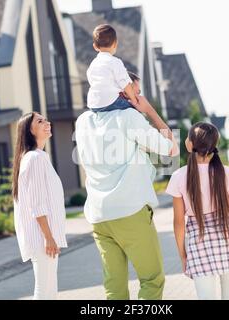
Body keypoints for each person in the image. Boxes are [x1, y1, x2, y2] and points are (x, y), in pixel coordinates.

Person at [75, 72, 179, 299]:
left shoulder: (83, 122)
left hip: (99, 216)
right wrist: (149, 111)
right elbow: (171, 150)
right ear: (123, 92)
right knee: (152, 279)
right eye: (137, 92)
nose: (139, 97)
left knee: (114, 287)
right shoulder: (129, 119)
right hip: (130, 212)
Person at [166, 122, 229, 300]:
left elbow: (178, 223)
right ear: (215, 145)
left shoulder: (178, 177)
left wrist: (183, 256)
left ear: (190, 144)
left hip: (198, 246)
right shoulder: (227, 173)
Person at [11, 112, 67, 300]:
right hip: (42, 238)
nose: (47, 123)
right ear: (29, 130)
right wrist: (48, 237)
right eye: (40, 121)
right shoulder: (34, 158)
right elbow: (37, 204)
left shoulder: (39, 157)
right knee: (44, 293)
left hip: (46, 237)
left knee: (50, 292)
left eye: (46, 120)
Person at [86, 24, 138, 113]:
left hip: (93, 104)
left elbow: (92, 81)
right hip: (110, 102)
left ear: (95, 46)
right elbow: (124, 83)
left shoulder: (93, 64)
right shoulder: (115, 62)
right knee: (134, 109)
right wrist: (134, 100)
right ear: (115, 44)